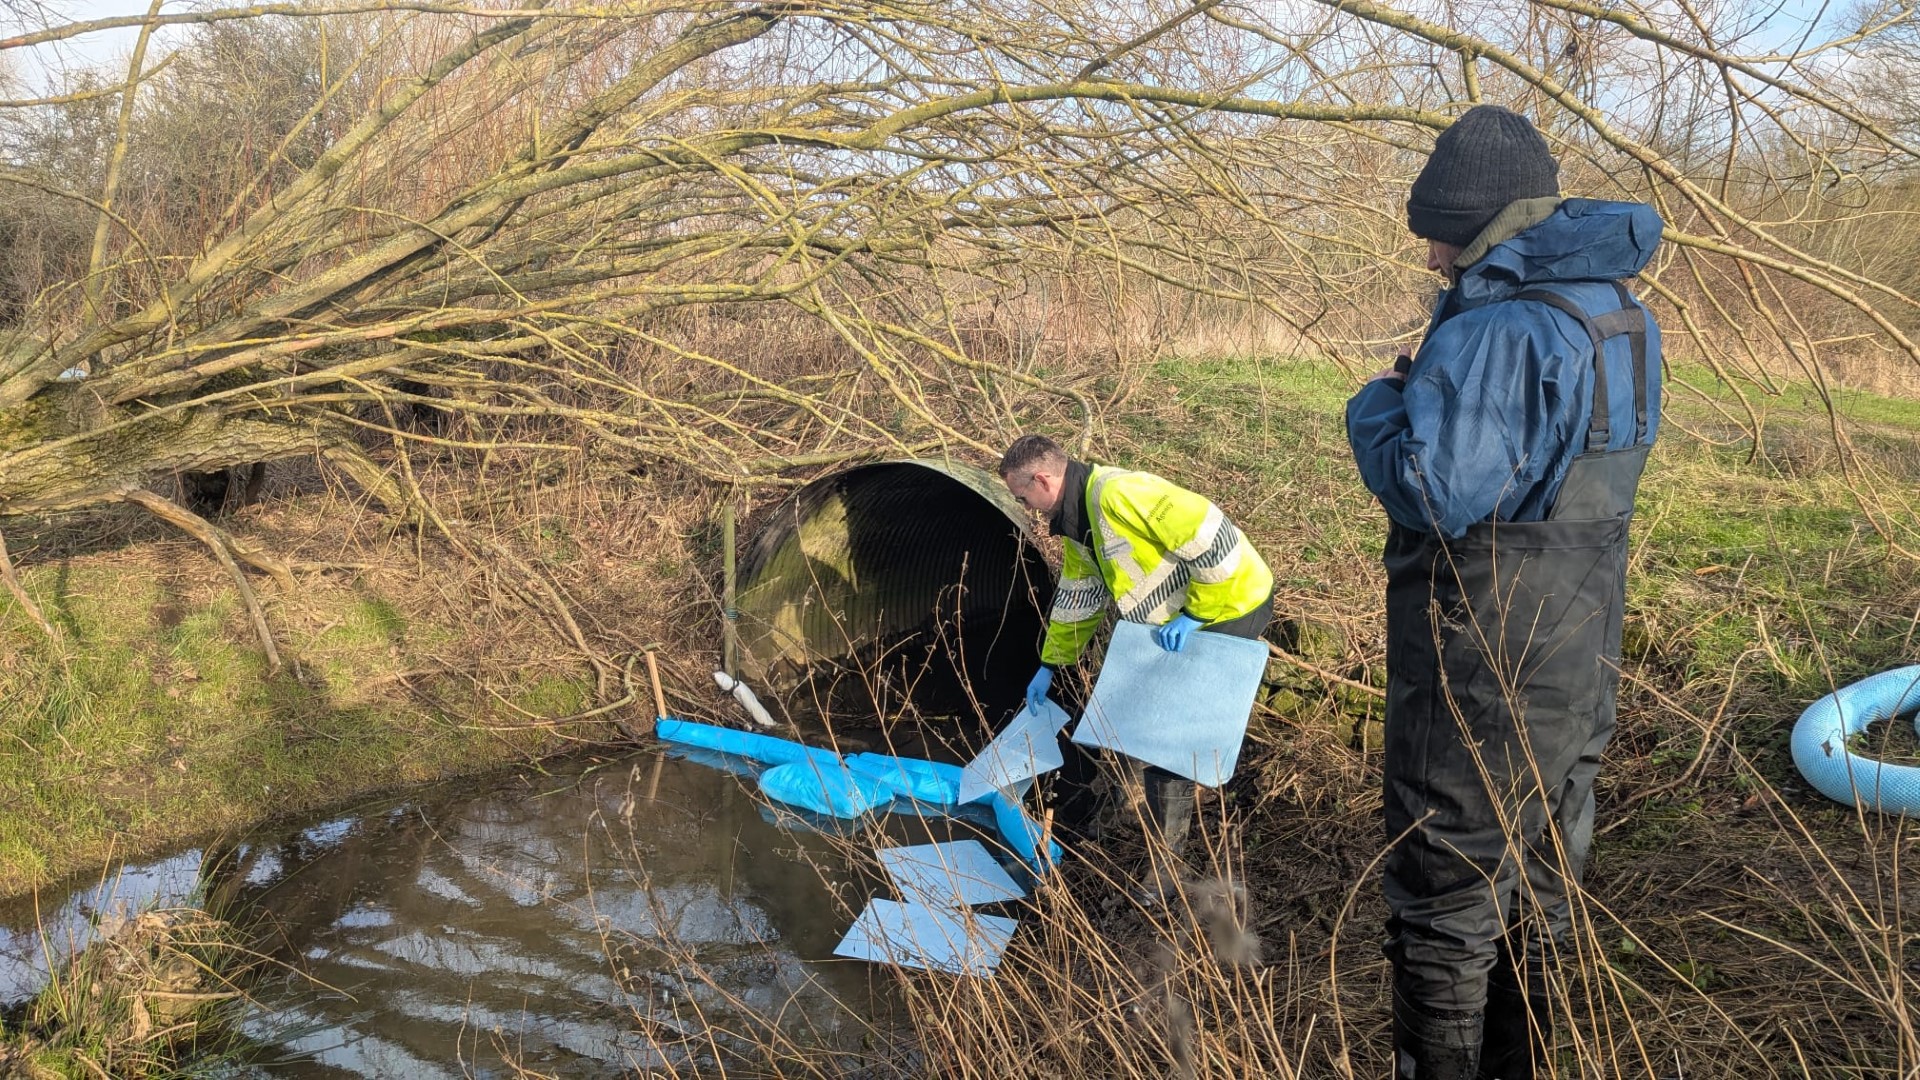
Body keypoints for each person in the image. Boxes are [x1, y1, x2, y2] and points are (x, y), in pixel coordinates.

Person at [1345, 105, 1664, 1079]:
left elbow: (1436, 490)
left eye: (1441, 233)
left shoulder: (1502, 329)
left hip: (1483, 654)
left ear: (1487, 223)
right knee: (1541, 876)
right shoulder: (1618, 310)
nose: (1434, 257)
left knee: (1444, 893)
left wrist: (1378, 404)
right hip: (1581, 646)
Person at [998, 434, 1275, 878]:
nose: (1026, 507)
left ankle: (1167, 871)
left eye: (1022, 496)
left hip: (1231, 605)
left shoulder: (1120, 494)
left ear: (1043, 480)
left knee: (1170, 742)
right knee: (1141, 720)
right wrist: (1051, 664)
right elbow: (1077, 598)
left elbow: (1211, 534)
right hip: (1171, 626)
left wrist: (1196, 614)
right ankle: (1127, 811)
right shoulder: (1077, 522)